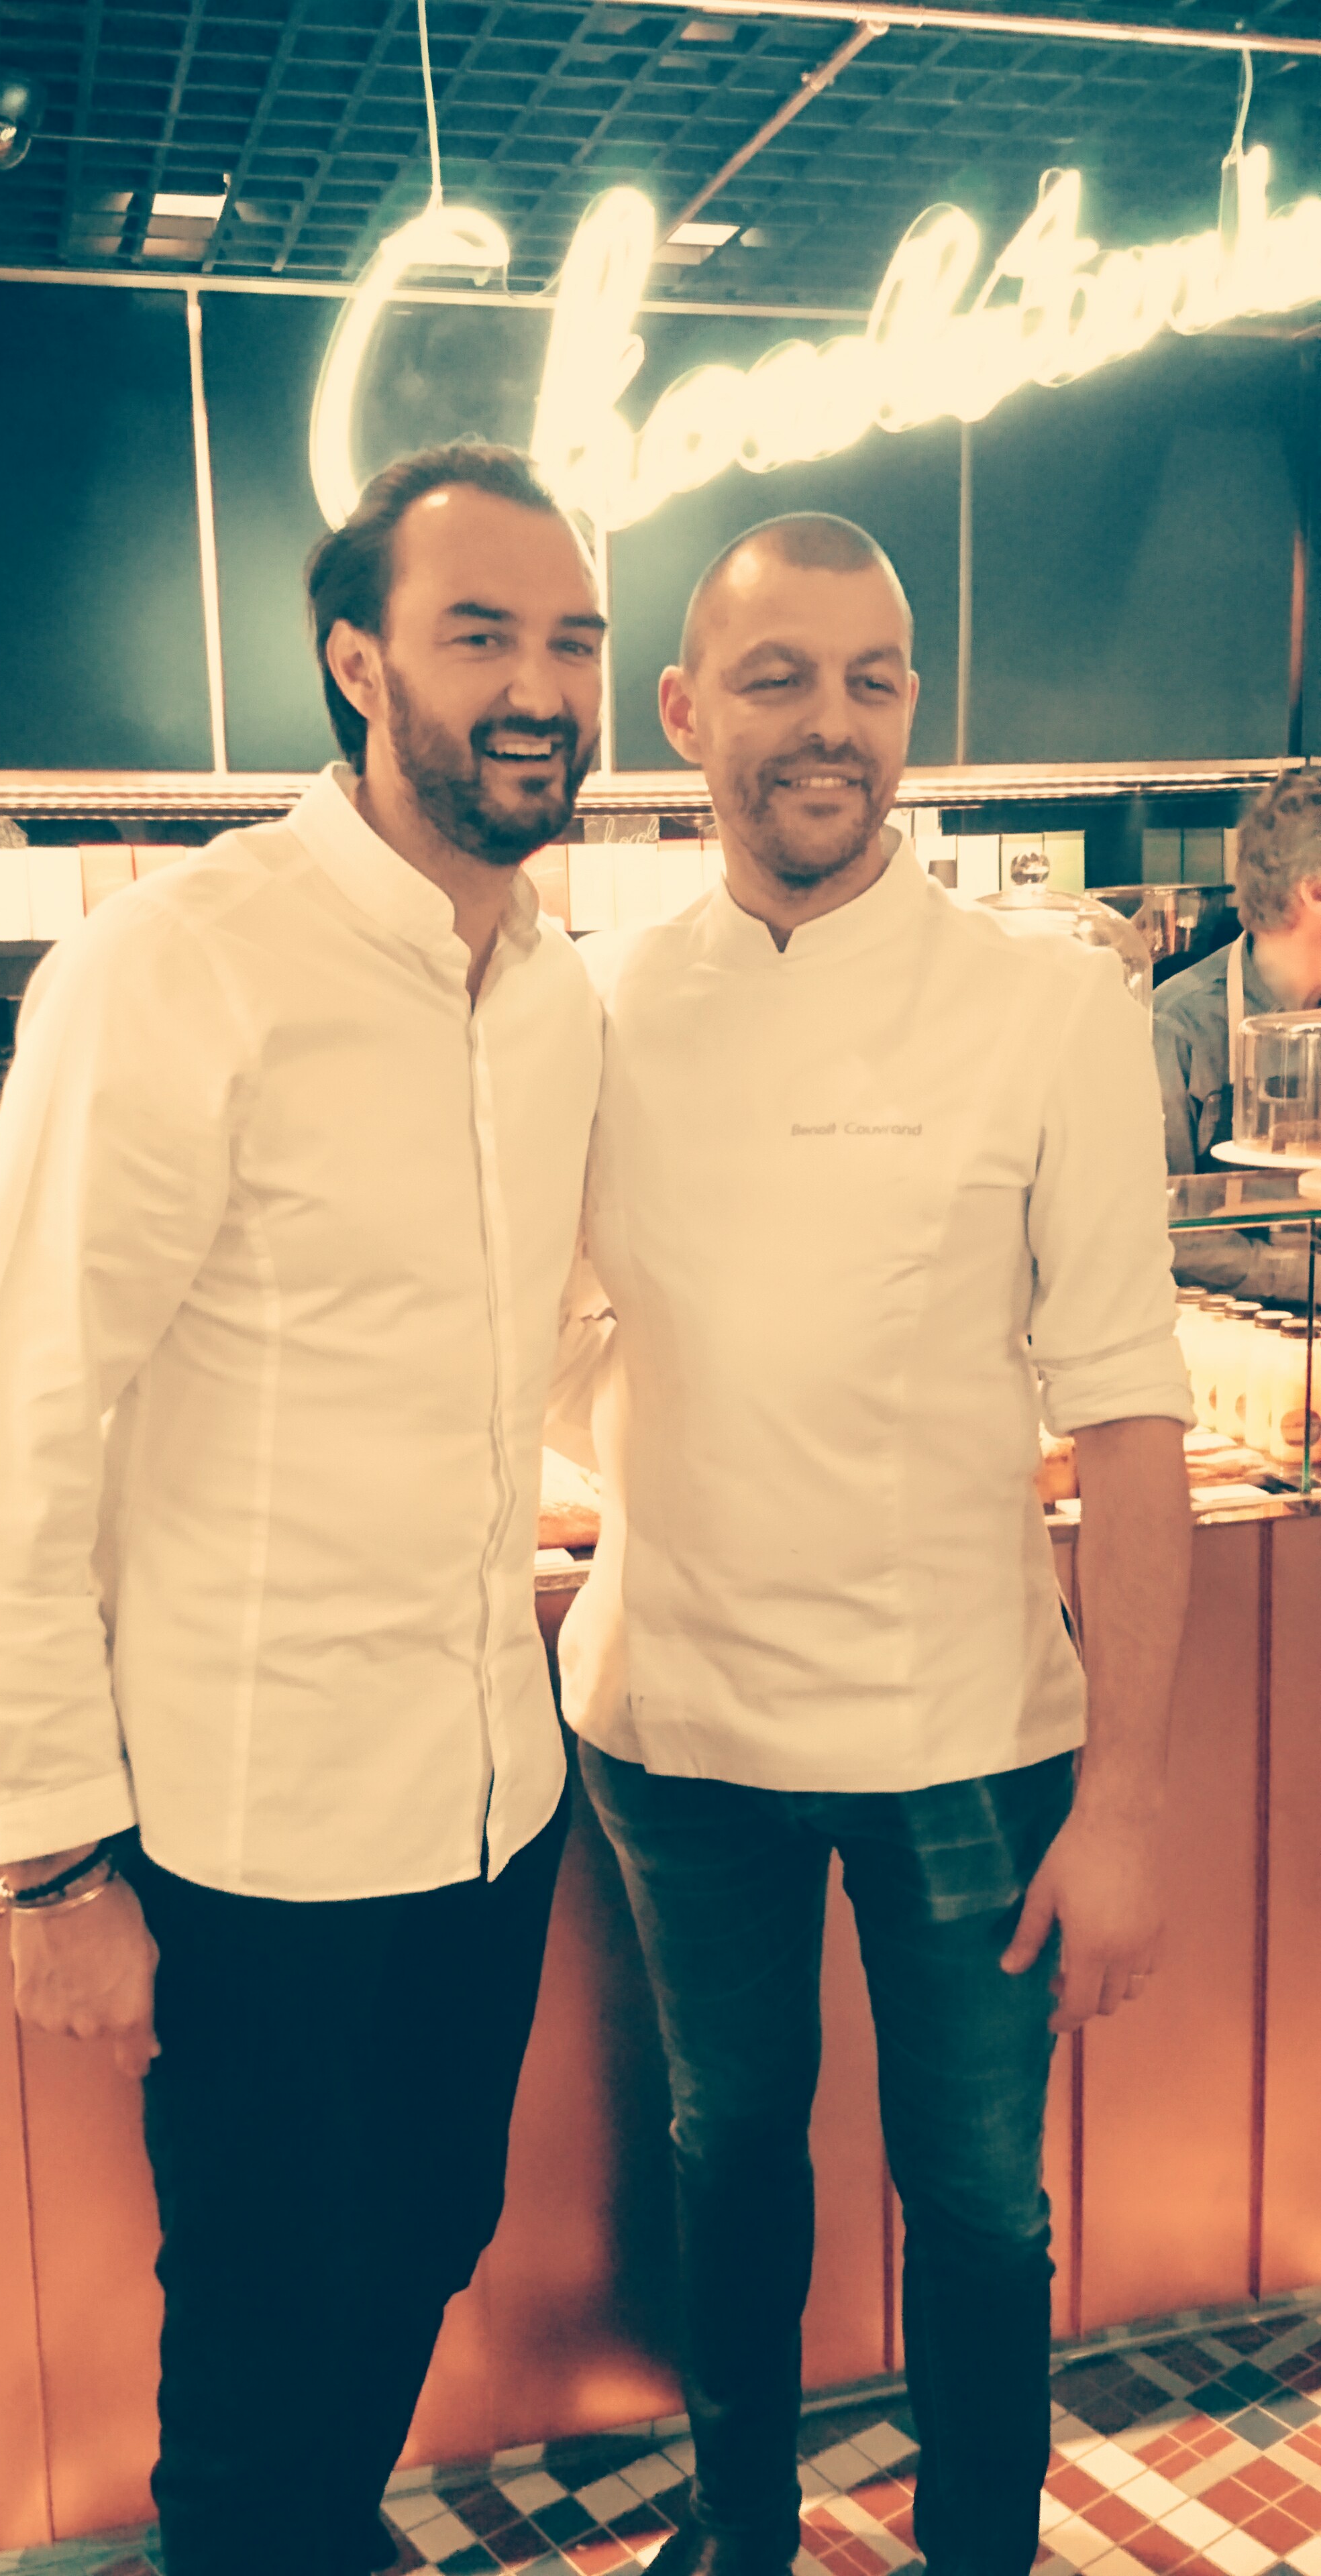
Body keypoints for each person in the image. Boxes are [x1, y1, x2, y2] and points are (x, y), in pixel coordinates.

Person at [0, 441, 606, 2576]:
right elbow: (8, 1429)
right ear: (354, 661)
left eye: (570, 637)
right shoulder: (184, 966)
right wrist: (51, 1856)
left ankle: (322, 2530)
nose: (537, 683)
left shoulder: (556, 994)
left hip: (491, 1796)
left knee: (427, 2235)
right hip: (256, 1838)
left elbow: (549, 1360)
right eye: (478, 631)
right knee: (254, 2368)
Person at [556, 514, 1194, 2576]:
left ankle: (980, 2546)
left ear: (912, 705)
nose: (828, 725)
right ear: (684, 712)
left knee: (984, 2191)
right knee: (727, 2148)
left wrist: (1128, 1792)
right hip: (678, 1722)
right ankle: (742, 2529)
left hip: (972, 1727)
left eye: (871, 679)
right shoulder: (595, 1010)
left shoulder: (1047, 1009)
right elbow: (549, 1337)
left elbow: (1128, 1415)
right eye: (776, 678)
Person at [1153, 768, 1321, 1298]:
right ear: (1315, 891)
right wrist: (1298, 1278)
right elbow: (1156, 1223)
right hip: (1235, 1341)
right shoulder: (1175, 1026)